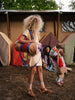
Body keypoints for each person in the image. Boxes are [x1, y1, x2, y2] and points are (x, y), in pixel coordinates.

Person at [19, 15, 52, 97]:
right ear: (33, 24)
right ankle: (29, 89)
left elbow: (36, 42)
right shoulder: (27, 31)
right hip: (32, 54)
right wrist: (31, 40)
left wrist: (39, 45)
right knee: (33, 70)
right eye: (37, 24)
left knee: (40, 69)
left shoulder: (37, 33)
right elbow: (20, 40)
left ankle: (42, 87)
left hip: (38, 54)